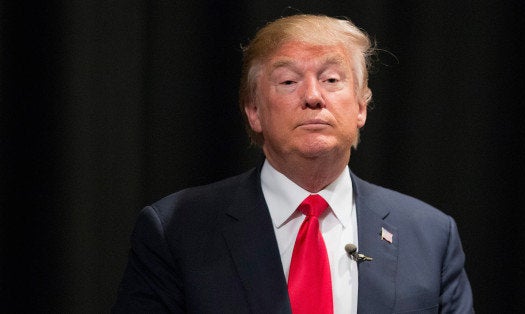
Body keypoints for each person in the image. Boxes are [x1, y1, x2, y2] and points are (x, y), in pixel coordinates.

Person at [113, 14, 473, 313]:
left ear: (361, 107)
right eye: (288, 81)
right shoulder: (176, 230)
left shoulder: (431, 236)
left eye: (332, 79)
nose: (313, 97)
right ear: (254, 111)